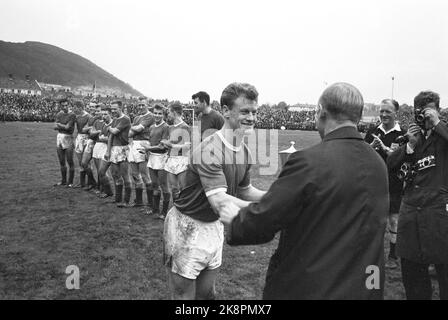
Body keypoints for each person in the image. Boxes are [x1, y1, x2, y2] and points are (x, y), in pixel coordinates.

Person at [219, 82, 389, 300]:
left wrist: (236, 220)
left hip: (314, 287)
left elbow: (269, 218)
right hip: (365, 285)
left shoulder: (309, 161)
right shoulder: (377, 162)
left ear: (321, 113)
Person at [164, 83, 265, 300]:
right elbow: (219, 201)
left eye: (254, 112)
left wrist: (279, 196)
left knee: (207, 294)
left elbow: (245, 190)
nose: (251, 118)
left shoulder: (244, 150)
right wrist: (272, 208)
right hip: (187, 226)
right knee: (184, 298)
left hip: (213, 226)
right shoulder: (209, 149)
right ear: (226, 111)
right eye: (245, 111)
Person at [387, 91, 448, 300]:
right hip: (412, 216)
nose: (424, 116)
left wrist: (438, 123)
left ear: (438, 110)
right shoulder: (413, 136)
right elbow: (392, 164)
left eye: (429, 111)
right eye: (420, 112)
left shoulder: (444, 134)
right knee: (414, 282)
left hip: (439, 217)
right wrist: (410, 146)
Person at [364, 99, 405, 268]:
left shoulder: (402, 134)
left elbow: (403, 161)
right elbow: (361, 155)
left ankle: (393, 256)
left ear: (396, 113)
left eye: (387, 111)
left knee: (393, 220)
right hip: (374, 183)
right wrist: (370, 147)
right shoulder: (373, 131)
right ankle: (373, 254)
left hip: (394, 183)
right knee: (374, 219)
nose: (383, 114)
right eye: (381, 111)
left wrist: (389, 152)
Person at [144, 103, 170, 218]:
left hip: (161, 158)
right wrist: (146, 151)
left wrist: (148, 148)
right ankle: (155, 209)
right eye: (155, 113)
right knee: (154, 184)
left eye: (160, 114)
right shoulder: (152, 127)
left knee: (164, 185)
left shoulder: (166, 127)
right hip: (152, 157)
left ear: (163, 115)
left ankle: (164, 212)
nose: (157, 115)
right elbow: (151, 142)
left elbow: (162, 146)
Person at [104, 100, 132, 208]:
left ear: (120, 108)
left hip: (123, 149)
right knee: (115, 174)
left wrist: (109, 128)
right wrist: (108, 150)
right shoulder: (115, 119)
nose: (113, 111)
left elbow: (114, 131)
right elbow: (111, 136)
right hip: (114, 149)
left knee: (125, 175)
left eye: (115, 109)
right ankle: (118, 198)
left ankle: (126, 200)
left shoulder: (125, 119)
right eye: (112, 109)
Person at [161, 102, 191, 201]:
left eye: (169, 112)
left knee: (183, 189)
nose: (168, 115)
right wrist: (165, 143)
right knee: (174, 189)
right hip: (171, 159)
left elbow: (187, 146)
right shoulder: (171, 127)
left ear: (174, 112)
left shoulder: (185, 126)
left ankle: (185, 212)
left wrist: (172, 145)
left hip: (182, 159)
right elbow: (170, 143)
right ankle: (177, 211)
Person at [128, 100, 154, 207]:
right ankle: (139, 201)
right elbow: (130, 133)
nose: (141, 107)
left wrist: (128, 127)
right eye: (139, 105)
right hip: (134, 144)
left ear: (147, 105)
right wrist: (131, 129)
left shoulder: (150, 116)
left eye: (143, 105)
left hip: (144, 144)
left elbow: (138, 129)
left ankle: (150, 203)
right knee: (134, 173)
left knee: (144, 175)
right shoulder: (136, 117)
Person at [91, 105, 114, 198]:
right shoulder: (104, 124)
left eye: (106, 114)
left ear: (110, 114)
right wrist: (103, 138)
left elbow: (110, 139)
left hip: (107, 148)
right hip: (99, 146)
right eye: (103, 114)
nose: (104, 116)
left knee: (102, 171)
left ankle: (109, 191)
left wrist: (104, 138)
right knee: (100, 171)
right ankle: (104, 189)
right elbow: (99, 136)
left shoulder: (112, 124)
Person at [53, 97, 76, 187]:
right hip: (59, 137)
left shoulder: (72, 115)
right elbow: (55, 127)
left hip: (68, 137)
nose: (65, 107)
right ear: (60, 106)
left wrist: (59, 125)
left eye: (66, 105)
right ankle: (63, 181)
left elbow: (68, 128)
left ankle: (70, 182)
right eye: (63, 106)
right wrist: (61, 126)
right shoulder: (59, 114)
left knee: (70, 161)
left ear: (69, 105)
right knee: (61, 161)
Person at [73, 100, 93, 189]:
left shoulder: (88, 116)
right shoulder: (77, 116)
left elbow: (92, 128)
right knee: (80, 162)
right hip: (79, 138)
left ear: (80, 108)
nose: (74, 109)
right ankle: (82, 183)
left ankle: (90, 182)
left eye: (75, 107)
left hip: (86, 138)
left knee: (86, 162)